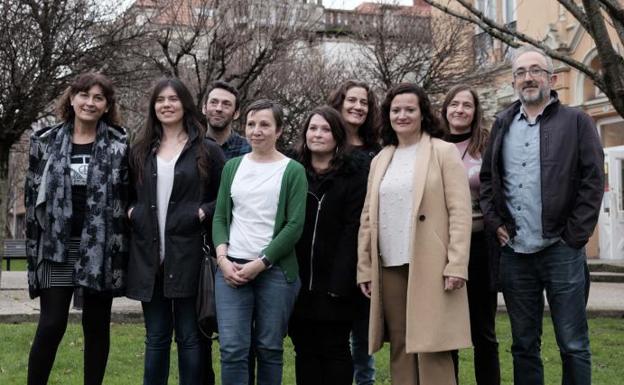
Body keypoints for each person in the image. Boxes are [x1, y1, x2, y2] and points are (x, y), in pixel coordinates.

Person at [479, 46, 604, 385]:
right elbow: (488, 180)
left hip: (561, 249)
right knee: (523, 345)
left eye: (536, 70)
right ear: (513, 81)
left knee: (573, 344)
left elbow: (593, 181)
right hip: (516, 253)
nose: (528, 77)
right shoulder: (503, 122)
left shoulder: (576, 121)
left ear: (551, 78)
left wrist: (573, 237)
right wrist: (495, 223)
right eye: (520, 72)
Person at [357, 83, 472, 385]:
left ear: (423, 114)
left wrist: (457, 264)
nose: (402, 115)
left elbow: (460, 213)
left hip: (432, 265)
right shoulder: (381, 158)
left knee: (432, 346)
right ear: (388, 115)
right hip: (389, 264)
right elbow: (368, 216)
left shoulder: (443, 152)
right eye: (396, 110)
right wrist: (365, 267)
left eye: (410, 109)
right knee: (400, 344)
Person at [25, 72, 129, 385]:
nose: (90, 102)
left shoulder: (120, 143)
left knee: (96, 327)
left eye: (99, 97)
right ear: (72, 99)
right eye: (84, 95)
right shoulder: (44, 141)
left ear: (107, 105)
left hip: (99, 249)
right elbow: (31, 196)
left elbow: (128, 194)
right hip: (56, 247)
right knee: (51, 324)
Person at [126, 77, 225, 385]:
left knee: (190, 338)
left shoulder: (206, 150)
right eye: (160, 100)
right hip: (149, 256)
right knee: (155, 337)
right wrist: (133, 212)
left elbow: (224, 198)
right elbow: (122, 194)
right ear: (153, 107)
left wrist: (201, 212)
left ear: (185, 104)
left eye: (172, 99)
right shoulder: (140, 150)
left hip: (189, 255)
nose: (166, 105)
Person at [212, 99, 307, 385]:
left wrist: (261, 263)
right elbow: (219, 218)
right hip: (231, 270)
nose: (256, 131)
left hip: (275, 271)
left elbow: (294, 226)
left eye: (265, 124)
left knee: (269, 348)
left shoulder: (293, 170)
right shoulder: (232, 167)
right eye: (251, 124)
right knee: (232, 350)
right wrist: (222, 260)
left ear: (279, 131)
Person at [290, 106, 368, 385]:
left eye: (325, 129)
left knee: (335, 349)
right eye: (313, 128)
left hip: (337, 281)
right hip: (297, 279)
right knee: (304, 351)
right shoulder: (293, 169)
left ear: (337, 136)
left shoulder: (354, 173)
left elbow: (354, 228)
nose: (318, 135)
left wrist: (340, 282)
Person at [441, 85, 501, 385]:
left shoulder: (487, 144)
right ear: (446, 108)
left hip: (480, 246)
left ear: (475, 112)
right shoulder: (432, 145)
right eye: (454, 104)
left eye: (467, 105)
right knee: (447, 330)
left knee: (483, 331)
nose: (460, 110)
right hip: (442, 246)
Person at [327, 80, 381, 385]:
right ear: (339, 102)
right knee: (333, 334)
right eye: (352, 100)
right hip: (332, 248)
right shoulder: (322, 143)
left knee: (363, 335)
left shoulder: (377, 150)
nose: (358, 107)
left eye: (364, 102)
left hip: (366, 248)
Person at [204, 80, 251, 159]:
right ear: (204, 109)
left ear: (236, 114)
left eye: (226, 104)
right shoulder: (192, 148)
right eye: (214, 102)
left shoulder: (249, 150)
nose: (218, 109)